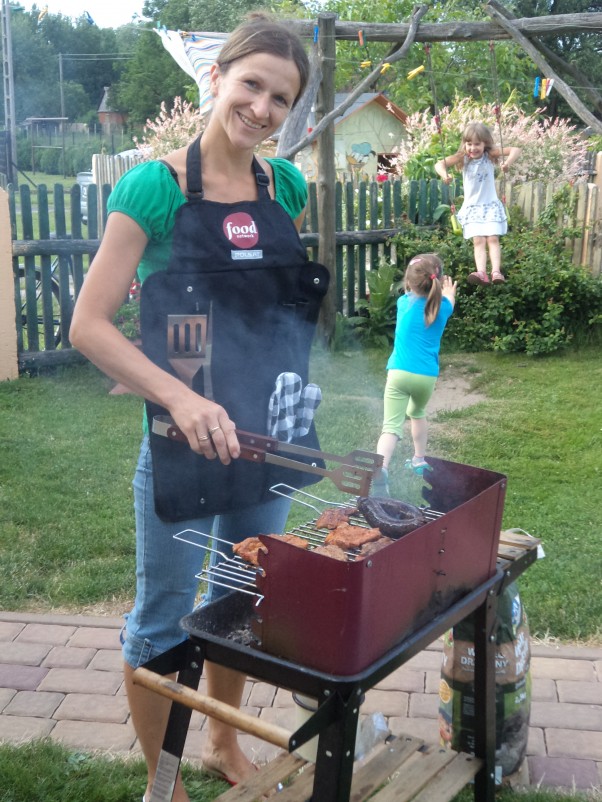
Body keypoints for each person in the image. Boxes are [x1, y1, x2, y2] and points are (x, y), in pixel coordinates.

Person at [70, 14, 317, 802]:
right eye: (252, 84)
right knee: (166, 616)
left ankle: (220, 741)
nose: (263, 108)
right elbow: (89, 323)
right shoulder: (155, 186)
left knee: (242, 600)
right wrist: (174, 387)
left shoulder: (288, 187)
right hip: (183, 439)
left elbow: (263, 310)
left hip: (265, 439)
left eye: (282, 98)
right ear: (216, 78)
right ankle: (163, 780)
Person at [372, 253, 457, 495]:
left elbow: (416, 293)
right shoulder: (444, 307)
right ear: (437, 282)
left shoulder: (403, 304)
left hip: (398, 373)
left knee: (391, 427)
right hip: (425, 377)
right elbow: (448, 299)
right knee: (417, 413)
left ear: (408, 283)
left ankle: (381, 467)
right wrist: (449, 292)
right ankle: (419, 458)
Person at [435, 121, 521, 286]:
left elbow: (516, 150)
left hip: (490, 206)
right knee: (478, 240)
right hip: (473, 208)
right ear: (465, 144)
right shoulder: (463, 158)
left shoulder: (490, 155)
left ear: (485, 144)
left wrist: (507, 163)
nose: (473, 148)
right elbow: (439, 164)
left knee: (493, 239)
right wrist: (444, 174)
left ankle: (496, 272)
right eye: (469, 144)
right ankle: (481, 273)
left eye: (477, 144)